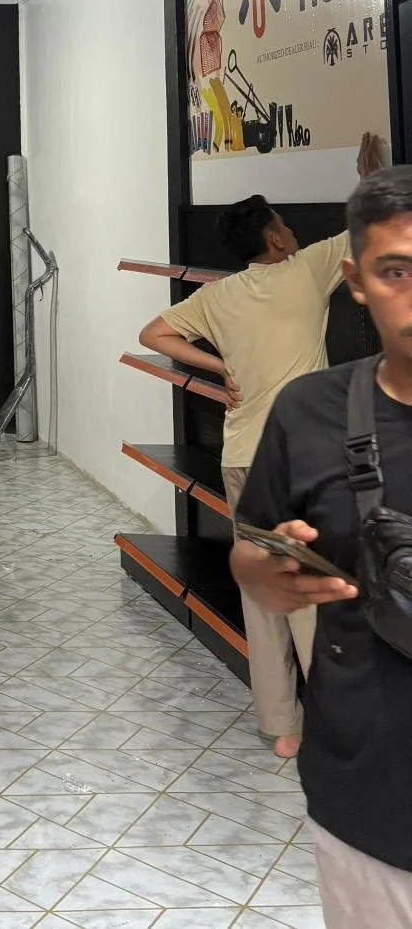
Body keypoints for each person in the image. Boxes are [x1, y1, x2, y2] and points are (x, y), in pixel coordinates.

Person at [138, 133, 383, 758]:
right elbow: (366, 230)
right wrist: (368, 178)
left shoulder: (219, 296)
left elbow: (153, 333)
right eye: (285, 225)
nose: (291, 233)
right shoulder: (305, 271)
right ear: (276, 240)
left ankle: (283, 729)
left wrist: (219, 370)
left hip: (244, 457)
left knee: (264, 592)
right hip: (303, 458)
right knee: (310, 589)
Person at [230, 165, 412, 926]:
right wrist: (266, 575)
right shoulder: (309, 412)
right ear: (357, 281)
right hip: (367, 801)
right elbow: (251, 549)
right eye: (397, 271)